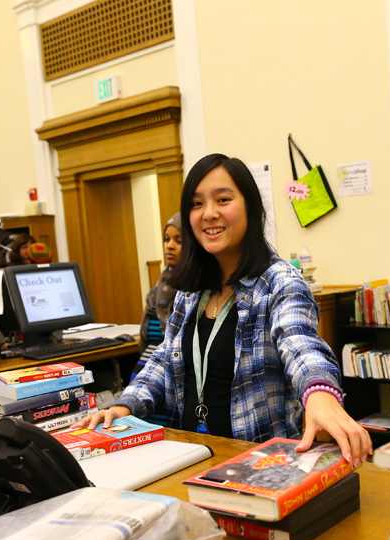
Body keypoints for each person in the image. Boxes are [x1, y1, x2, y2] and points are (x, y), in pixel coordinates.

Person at [75, 153, 372, 465]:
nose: (209, 213)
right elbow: (165, 359)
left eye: (223, 199)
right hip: (189, 454)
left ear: (250, 207)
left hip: (258, 462)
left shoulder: (279, 282)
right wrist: (123, 407)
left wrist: (320, 394)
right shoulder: (190, 290)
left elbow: (299, 343)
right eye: (197, 203)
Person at [139, 212, 183, 352]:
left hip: (171, 355)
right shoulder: (163, 281)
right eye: (166, 239)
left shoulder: (194, 287)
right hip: (150, 351)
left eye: (179, 241)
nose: (169, 246)